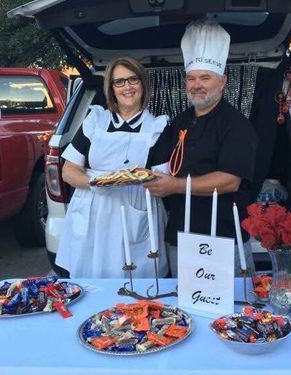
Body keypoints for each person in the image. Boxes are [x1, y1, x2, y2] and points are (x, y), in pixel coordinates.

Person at [144, 20, 258, 277]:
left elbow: (230, 180)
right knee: (184, 304)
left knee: (231, 307)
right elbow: (160, 164)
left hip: (224, 234)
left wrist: (173, 185)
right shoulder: (179, 121)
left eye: (205, 77)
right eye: (191, 78)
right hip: (181, 233)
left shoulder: (237, 125)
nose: (197, 84)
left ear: (222, 81)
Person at [55, 56, 170, 278]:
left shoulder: (157, 127)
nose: (127, 86)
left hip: (135, 212)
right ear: (111, 88)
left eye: (133, 79)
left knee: (136, 283)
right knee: (90, 283)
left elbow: (162, 180)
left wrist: (138, 179)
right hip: (92, 213)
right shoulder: (95, 120)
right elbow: (68, 171)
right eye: (119, 82)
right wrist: (96, 182)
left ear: (143, 84)